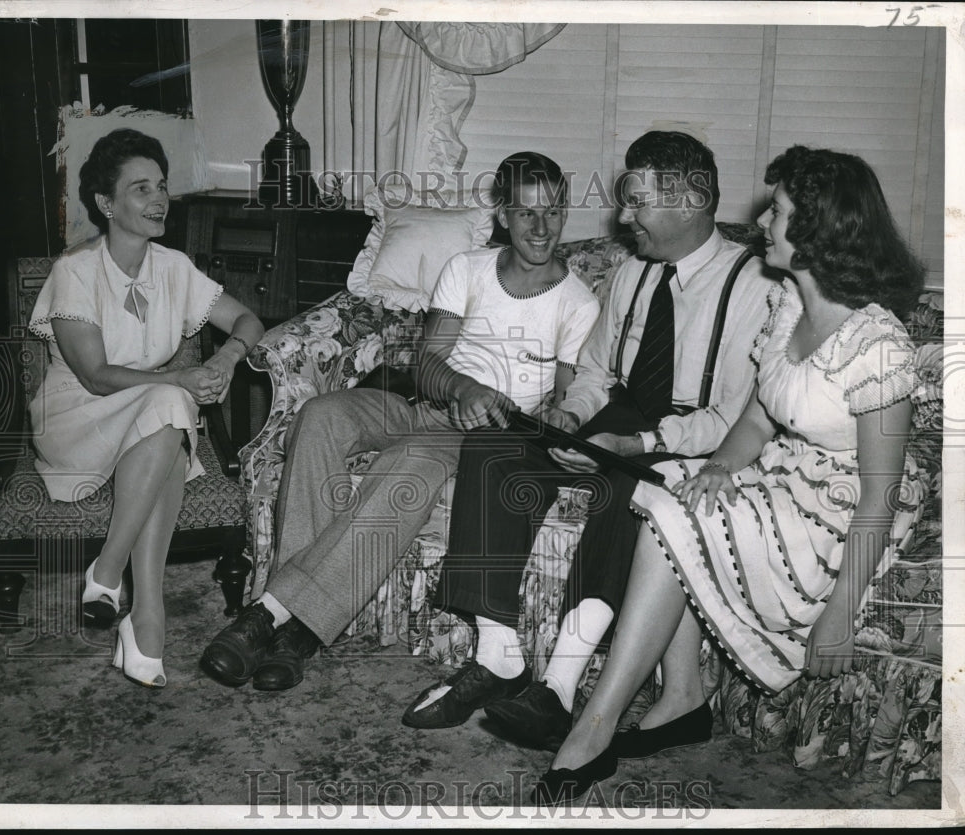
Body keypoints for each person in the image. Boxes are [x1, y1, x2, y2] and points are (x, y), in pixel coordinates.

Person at [532, 145, 925, 805]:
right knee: (667, 487)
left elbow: (881, 491)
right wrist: (715, 468)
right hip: (784, 470)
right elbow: (755, 424)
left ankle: (595, 725)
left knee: (676, 509)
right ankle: (683, 694)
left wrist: (839, 611)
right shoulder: (791, 309)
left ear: (817, 235)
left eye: (778, 212)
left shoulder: (876, 344)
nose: (762, 222)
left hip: (845, 504)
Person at [401, 130, 774, 736]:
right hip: (615, 421)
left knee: (628, 492)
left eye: (638, 201)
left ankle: (559, 688)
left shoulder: (753, 284)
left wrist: (634, 447)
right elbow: (598, 374)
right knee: (496, 446)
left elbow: (734, 416)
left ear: (689, 202)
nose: (624, 216)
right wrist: (571, 418)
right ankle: (498, 653)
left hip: (688, 438)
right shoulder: (630, 274)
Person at [198, 151, 601, 692]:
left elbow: (564, 401)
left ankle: (271, 617)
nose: (541, 227)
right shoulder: (468, 268)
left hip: (486, 438)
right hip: (420, 404)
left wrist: (539, 411)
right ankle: (302, 624)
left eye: (552, 212)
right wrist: (461, 386)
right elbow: (429, 362)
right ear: (503, 214)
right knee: (318, 416)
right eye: (526, 212)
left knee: (406, 462)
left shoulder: (579, 304)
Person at [27, 128, 264, 688]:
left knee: (169, 404)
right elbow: (95, 374)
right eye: (140, 189)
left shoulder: (174, 267)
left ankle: (142, 611)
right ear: (106, 204)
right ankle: (111, 571)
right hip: (77, 415)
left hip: (150, 413)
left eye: (161, 187)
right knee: (172, 397)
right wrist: (181, 375)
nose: (159, 199)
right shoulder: (75, 273)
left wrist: (228, 359)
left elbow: (249, 321)